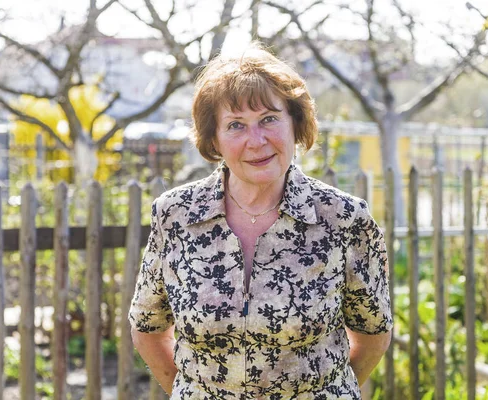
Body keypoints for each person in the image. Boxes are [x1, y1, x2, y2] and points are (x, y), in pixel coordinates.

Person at [129, 44, 393, 400]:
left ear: (295, 124)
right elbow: (147, 329)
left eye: (269, 119)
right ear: (215, 140)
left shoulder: (344, 218)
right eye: (236, 125)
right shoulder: (175, 215)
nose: (256, 141)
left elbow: (374, 333)